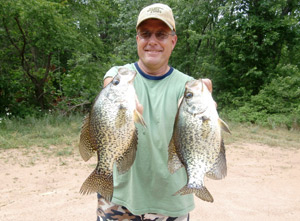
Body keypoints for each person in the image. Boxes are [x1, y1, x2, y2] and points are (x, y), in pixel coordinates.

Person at [97, 3, 213, 221]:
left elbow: (203, 110)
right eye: (145, 34)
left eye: (161, 34)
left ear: (173, 41)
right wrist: (118, 101)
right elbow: (109, 86)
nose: (152, 41)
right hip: (119, 196)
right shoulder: (120, 75)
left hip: (170, 200)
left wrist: (204, 105)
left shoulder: (189, 86)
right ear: (137, 39)